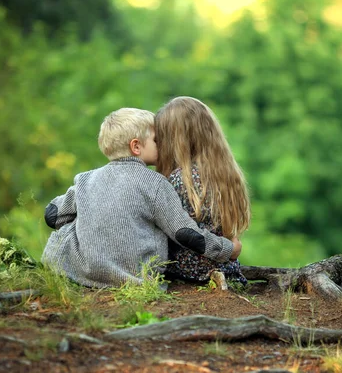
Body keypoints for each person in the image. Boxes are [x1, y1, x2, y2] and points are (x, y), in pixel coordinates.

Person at [41, 107, 242, 288]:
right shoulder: (155, 183)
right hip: (134, 277)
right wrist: (227, 249)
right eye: (156, 140)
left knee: (71, 225)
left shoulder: (86, 179)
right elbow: (185, 233)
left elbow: (52, 215)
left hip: (80, 271)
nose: (162, 145)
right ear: (136, 146)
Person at [155, 96, 251, 286]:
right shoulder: (227, 173)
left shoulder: (180, 179)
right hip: (226, 267)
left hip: (189, 273)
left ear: (174, 139)